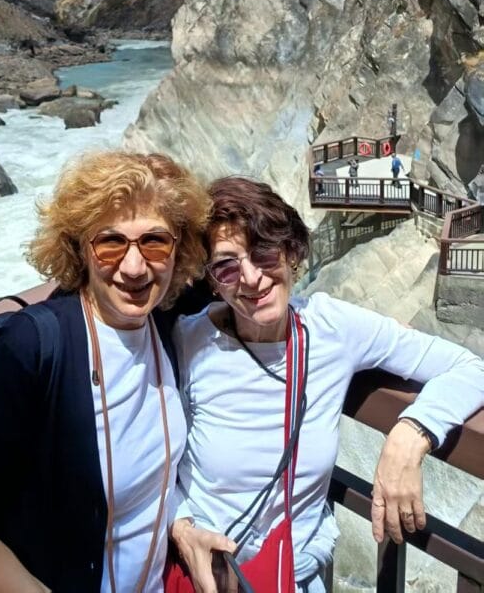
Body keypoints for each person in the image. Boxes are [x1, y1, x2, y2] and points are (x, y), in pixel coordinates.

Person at [169, 177, 484, 593]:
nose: (251, 278)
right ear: (212, 280)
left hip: (292, 577)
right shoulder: (189, 340)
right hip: (202, 577)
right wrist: (180, 526)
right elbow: (151, 459)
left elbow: (471, 367)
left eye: (263, 251)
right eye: (227, 266)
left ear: (290, 250)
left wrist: (412, 433)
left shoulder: (331, 327)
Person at [0, 149, 211, 593]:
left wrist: (182, 525)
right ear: (79, 248)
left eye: (155, 241)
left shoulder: (166, 321)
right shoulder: (31, 348)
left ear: (178, 249)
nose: (134, 266)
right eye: (110, 242)